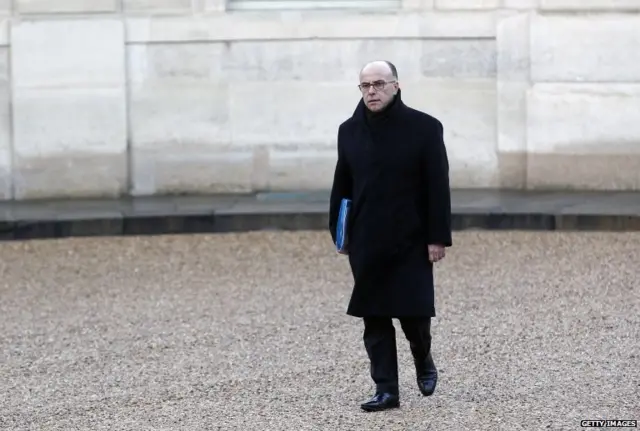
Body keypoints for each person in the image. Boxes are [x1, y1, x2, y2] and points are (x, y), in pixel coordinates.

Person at [328, 60, 453, 412]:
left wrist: (437, 237)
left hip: (411, 238)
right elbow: (343, 186)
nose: (372, 91)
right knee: (375, 316)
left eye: (379, 84)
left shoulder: (425, 128)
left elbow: (437, 187)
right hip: (367, 238)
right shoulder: (348, 131)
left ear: (396, 86)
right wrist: (340, 232)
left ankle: (423, 357)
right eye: (365, 86)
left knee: (414, 316)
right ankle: (386, 390)